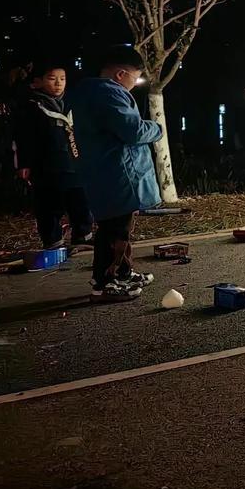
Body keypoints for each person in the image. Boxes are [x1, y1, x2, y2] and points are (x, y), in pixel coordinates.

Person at [67, 45, 161, 302]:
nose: (136, 82)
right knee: (114, 230)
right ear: (121, 74)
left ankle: (123, 272)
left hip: (103, 170)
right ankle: (105, 282)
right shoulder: (110, 94)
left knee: (119, 226)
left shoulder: (84, 92)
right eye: (136, 76)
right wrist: (156, 129)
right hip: (118, 172)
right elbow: (132, 131)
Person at [12, 61, 94, 248]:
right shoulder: (32, 107)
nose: (58, 83)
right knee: (49, 205)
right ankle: (52, 241)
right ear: (38, 82)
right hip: (46, 165)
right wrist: (23, 164)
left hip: (73, 163)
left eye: (62, 79)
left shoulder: (71, 104)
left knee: (80, 201)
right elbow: (22, 138)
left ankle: (83, 236)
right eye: (52, 78)